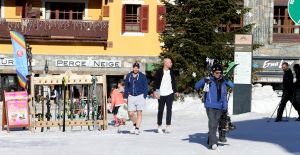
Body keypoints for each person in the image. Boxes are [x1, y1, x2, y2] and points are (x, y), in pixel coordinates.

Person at [195, 64, 234, 150]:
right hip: (210, 105)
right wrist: (204, 80)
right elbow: (196, 86)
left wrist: (226, 79)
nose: (218, 74)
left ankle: (210, 138)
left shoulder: (223, 81)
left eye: (220, 73)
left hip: (220, 106)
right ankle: (213, 143)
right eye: (217, 73)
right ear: (213, 72)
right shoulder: (209, 80)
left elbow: (232, 86)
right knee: (212, 123)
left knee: (215, 124)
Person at [154, 58, 178, 133]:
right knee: (160, 110)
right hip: (161, 93)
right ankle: (159, 125)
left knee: (169, 110)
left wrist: (175, 91)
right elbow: (156, 82)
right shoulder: (159, 72)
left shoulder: (171, 72)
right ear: (165, 63)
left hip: (169, 93)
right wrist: (155, 91)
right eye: (170, 62)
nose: (171, 64)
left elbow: (173, 82)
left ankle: (168, 126)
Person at [124, 62, 148, 135]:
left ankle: (137, 128)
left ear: (138, 68)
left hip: (140, 95)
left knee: (139, 113)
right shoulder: (129, 76)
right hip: (131, 96)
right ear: (133, 68)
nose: (135, 69)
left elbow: (145, 86)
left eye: (137, 67)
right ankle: (135, 124)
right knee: (130, 113)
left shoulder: (142, 76)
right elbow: (126, 87)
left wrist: (144, 96)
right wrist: (125, 96)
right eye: (134, 67)